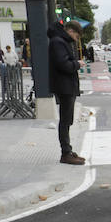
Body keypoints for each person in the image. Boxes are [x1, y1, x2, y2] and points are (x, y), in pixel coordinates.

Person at [48, 20, 85, 165]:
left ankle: (68, 150)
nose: (76, 40)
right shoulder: (58, 42)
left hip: (66, 85)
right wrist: (77, 64)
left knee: (67, 119)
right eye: (76, 36)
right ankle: (65, 153)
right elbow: (63, 64)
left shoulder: (59, 41)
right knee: (65, 120)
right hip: (64, 86)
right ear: (70, 31)